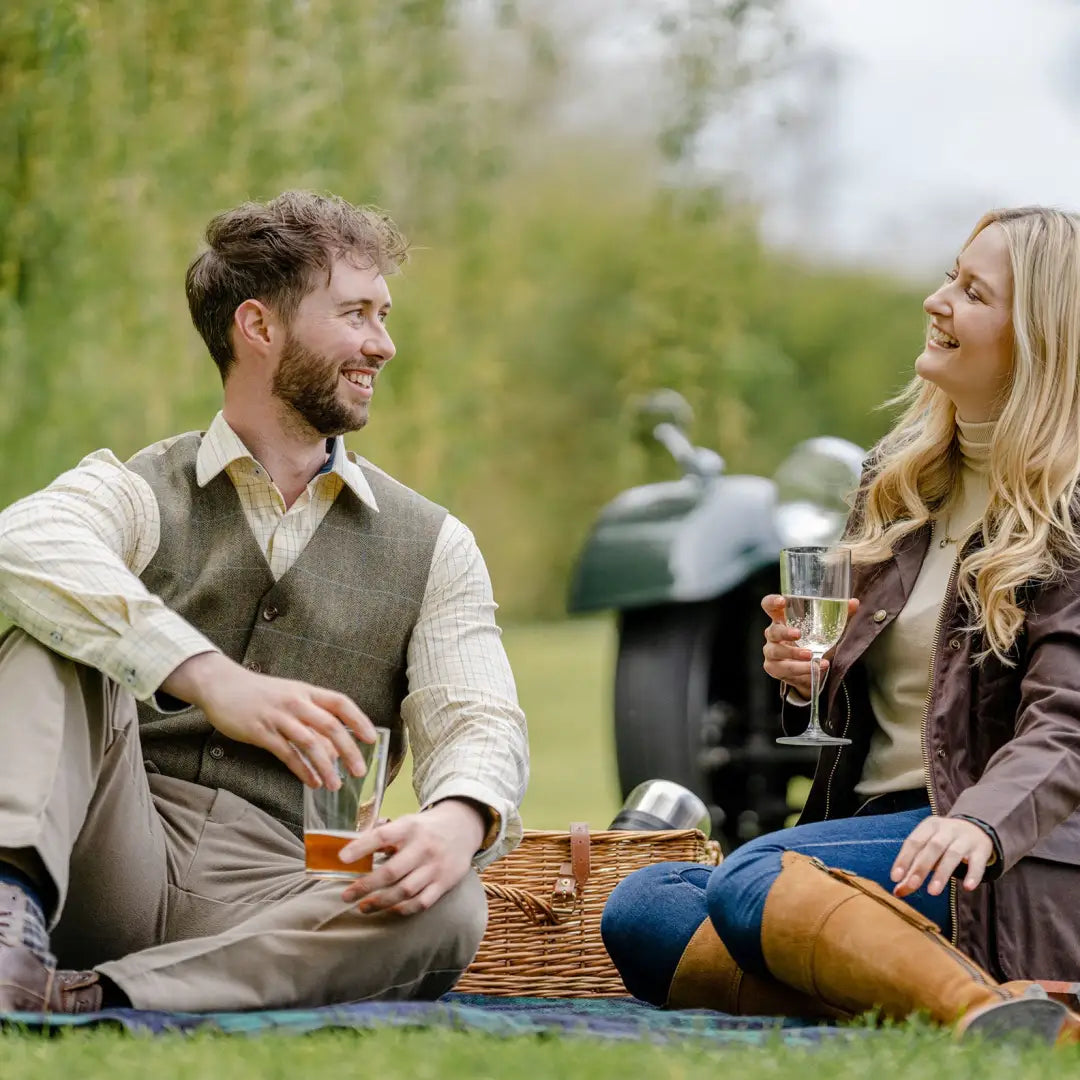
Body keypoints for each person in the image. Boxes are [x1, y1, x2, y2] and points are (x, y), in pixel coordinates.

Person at [0, 191, 529, 1014]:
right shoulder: (139, 491)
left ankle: (95, 996)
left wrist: (459, 819)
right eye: (355, 314)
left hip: (286, 887)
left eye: (383, 316)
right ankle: (6, 930)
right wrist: (212, 679)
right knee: (54, 626)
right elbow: (21, 540)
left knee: (453, 905)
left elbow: (479, 717)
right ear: (259, 327)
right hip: (110, 848)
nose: (382, 345)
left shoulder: (436, 543)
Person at [601, 206, 1080, 1043]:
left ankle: (979, 1008)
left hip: (997, 851)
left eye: (973, 293)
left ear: (1036, 338)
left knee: (752, 878)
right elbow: (889, 703)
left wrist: (979, 822)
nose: (937, 301)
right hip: (871, 831)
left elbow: (1065, 725)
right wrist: (808, 677)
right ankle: (961, 1005)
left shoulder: (1065, 513)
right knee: (643, 906)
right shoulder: (898, 482)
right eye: (948, 276)